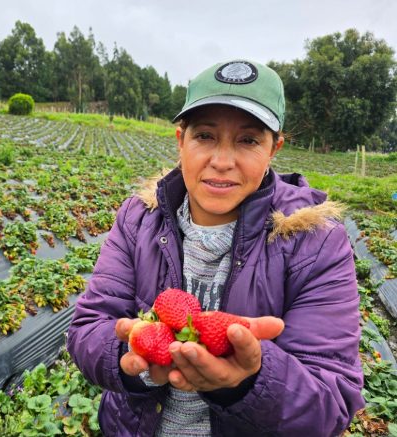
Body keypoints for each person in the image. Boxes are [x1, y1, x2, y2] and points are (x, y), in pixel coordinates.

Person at [66, 59, 364, 436]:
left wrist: (248, 381)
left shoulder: (315, 241)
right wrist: (133, 355)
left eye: (248, 140)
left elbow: (331, 400)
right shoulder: (138, 218)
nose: (222, 162)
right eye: (205, 136)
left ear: (274, 148)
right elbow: (88, 329)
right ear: (181, 140)